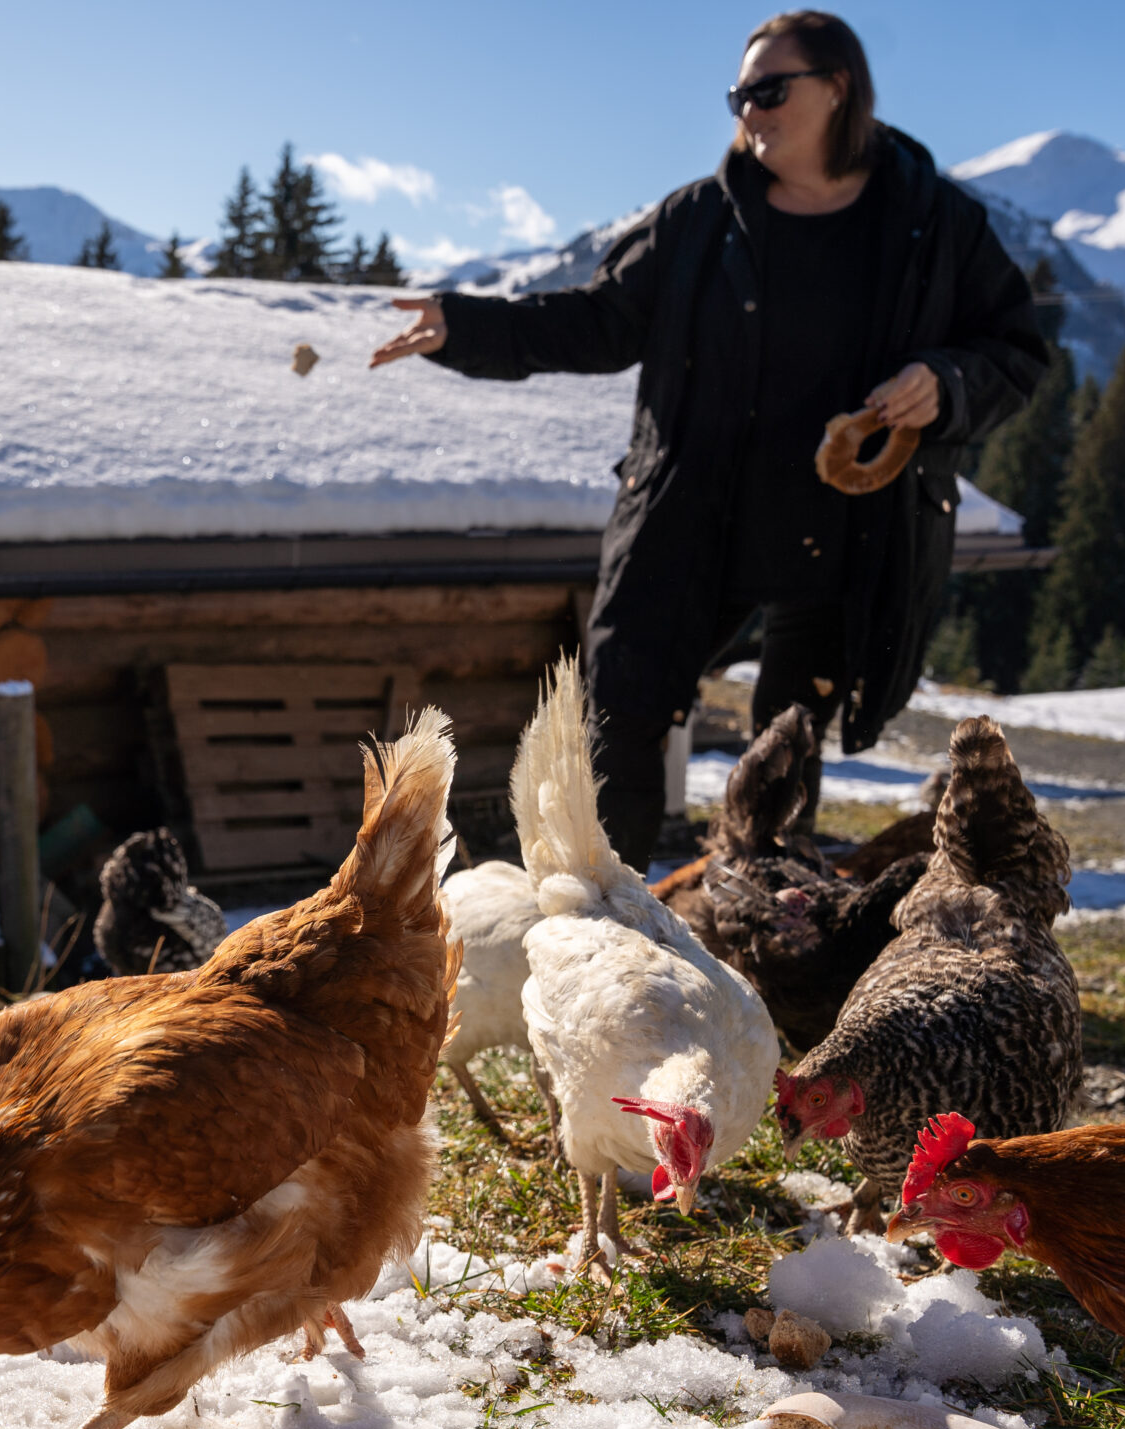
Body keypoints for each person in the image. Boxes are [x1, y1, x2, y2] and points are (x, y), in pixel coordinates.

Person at [373, 10, 1046, 871]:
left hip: (841, 533)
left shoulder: (935, 225)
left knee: (785, 750)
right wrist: (464, 327)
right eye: (738, 94)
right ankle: (610, 926)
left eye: (769, 90)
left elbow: (1016, 350)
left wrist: (946, 383)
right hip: (692, 511)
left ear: (839, 88)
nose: (749, 111)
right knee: (618, 717)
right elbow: (600, 321)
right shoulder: (699, 219)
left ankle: (769, 935)